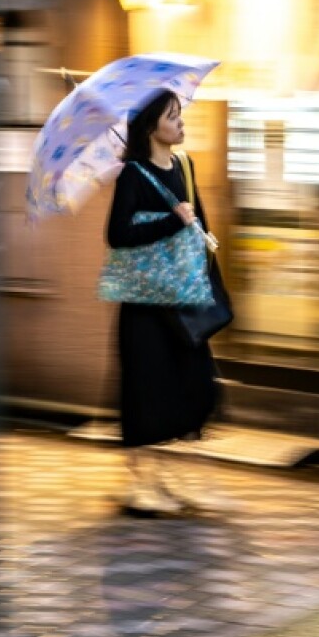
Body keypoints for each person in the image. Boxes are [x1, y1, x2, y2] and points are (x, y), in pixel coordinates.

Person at [107, 89, 221, 514]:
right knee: (144, 388)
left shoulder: (185, 166)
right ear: (152, 125)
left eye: (180, 114)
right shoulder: (132, 175)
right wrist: (171, 222)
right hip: (142, 304)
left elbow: (198, 226)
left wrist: (197, 229)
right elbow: (118, 236)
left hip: (181, 298)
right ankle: (142, 484)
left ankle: (173, 480)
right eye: (172, 116)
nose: (180, 122)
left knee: (192, 384)